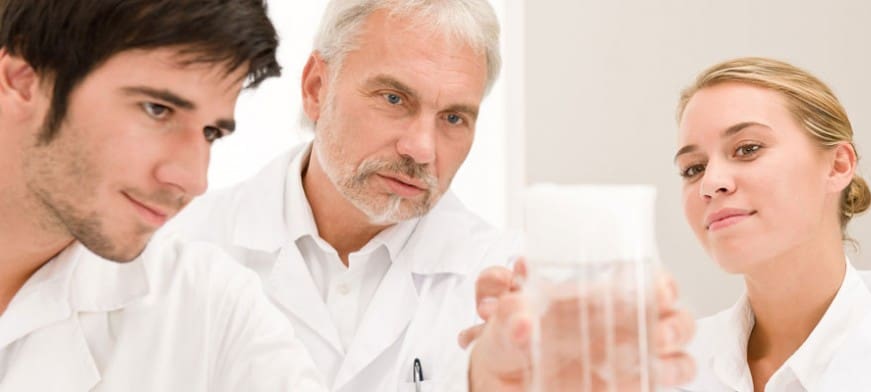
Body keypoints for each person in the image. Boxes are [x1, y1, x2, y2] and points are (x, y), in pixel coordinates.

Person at [167, 0, 696, 390]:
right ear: (315, 87)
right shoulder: (180, 250)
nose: (422, 148)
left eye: (453, 118)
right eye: (394, 97)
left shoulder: (510, 288)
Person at [0, 1, 323, 390]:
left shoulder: (212, 311)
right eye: (157, 109)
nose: (193, 179)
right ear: (21, 80)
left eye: (210, 133)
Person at [672, 57, 871, 391]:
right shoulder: (666, 370)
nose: (710, 183)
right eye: (693, 168)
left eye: (747, 149)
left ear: (838, 165)